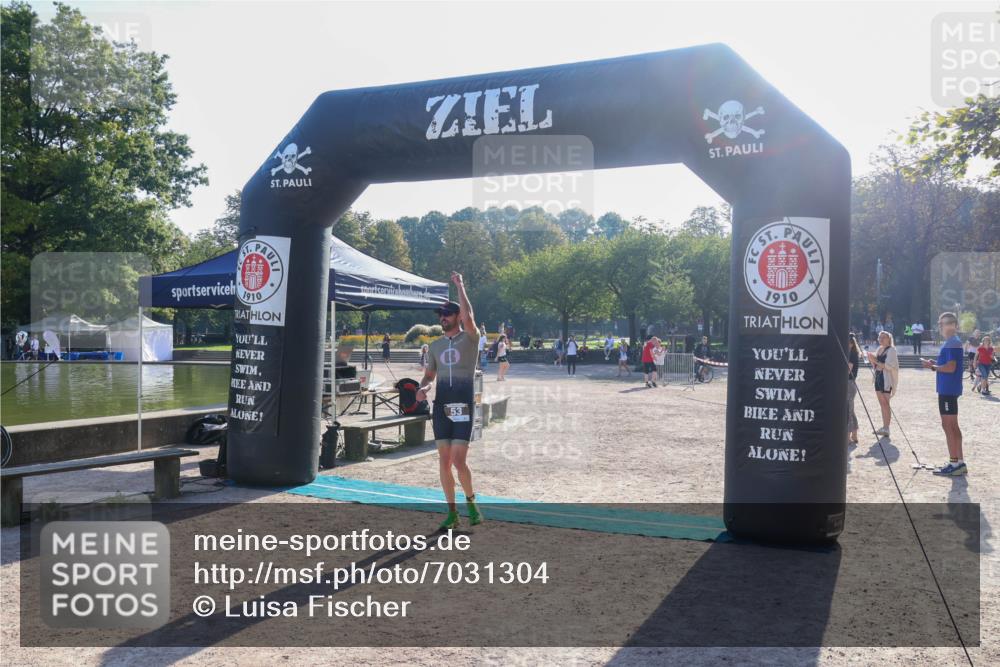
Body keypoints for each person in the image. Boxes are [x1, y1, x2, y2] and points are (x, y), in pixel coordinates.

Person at [415, 273, 484, 529]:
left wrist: (460, 286)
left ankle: (471, 503)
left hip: (463, 407)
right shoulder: (434, 347)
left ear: (457, 317)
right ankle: (452, 513)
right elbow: (428, 376)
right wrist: (423, 388)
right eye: (440, 315)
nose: (442, 318)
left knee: (458, 461)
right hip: (441, 408)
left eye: (447, 313)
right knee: (443, 462)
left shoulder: (470, 339)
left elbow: (469, 317)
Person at [921, 312, 967, 476]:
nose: (941, 326)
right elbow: (947, 364)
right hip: (949, 389)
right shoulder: (951, 342)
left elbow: (951, 367)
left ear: (953, 325)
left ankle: (954, 463)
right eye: (940, 323)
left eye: (944, 323)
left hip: (948, 389)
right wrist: (936, 363)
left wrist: (932, 367)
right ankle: (959, 463)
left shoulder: (953, 342)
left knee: (948, 426)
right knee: (953, 426)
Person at [866, 331, 898, 438]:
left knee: (886, 403)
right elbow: (875, 364)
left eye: (883, 337)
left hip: (886, 379)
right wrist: (870, 358)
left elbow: (888, 366)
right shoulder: (879, 349)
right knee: (882, 404)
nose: (881, 339)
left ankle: (886, 428)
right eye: (880, 337)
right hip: (878, 378)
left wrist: (874, 361)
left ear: (889, 339)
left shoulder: (892, 350)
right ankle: (884, 426)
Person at [847, 334, 861, 447]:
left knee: (848, 410)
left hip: (849, 384)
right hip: (849, 384)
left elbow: (848, 370)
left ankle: (848, 436)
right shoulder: (850, 353)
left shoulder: (852, 354)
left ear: (851, 343)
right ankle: (854, 434)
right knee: (850, 410)